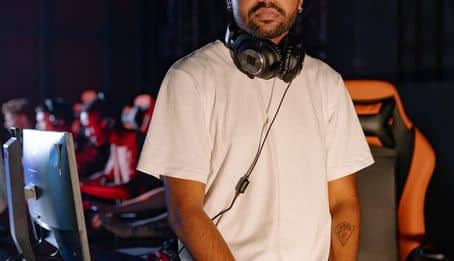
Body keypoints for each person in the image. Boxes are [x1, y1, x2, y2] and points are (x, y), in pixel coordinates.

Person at [137, 0, 374, 260]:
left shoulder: (328, 84)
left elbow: (343, 203)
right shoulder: (189, 78)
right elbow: (185, 211)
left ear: (301, 3)